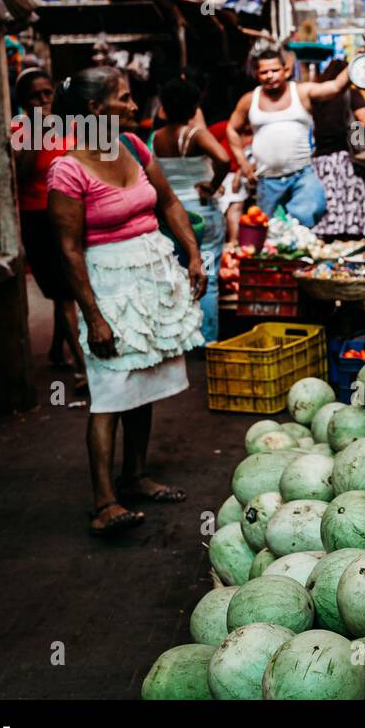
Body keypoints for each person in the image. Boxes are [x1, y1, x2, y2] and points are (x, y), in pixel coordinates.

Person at [47, 67, 204, 536]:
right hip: (108, 285)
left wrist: (192, 254)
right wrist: (93, 316)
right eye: (125, 98)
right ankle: (104, 501)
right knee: (110, 391)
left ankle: (134, 476)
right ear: (95, 109)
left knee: (144, 383)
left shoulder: (134, 148)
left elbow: (170, 203)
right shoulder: (68, 168)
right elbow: (69, 250)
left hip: (151, 276)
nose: (135, 107)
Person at [11, 68, 85, 384]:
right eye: (35, 95)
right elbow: (21, 173)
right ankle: (84, 367)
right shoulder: (19, 128)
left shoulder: (69, 125)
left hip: (69, 213)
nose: (43, 100)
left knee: (65, 287)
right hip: (38, 217)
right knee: (64, 290)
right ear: (24, 102)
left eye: (47, 93)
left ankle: (57, 349)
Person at [225, 46, 354, 228]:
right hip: (267, 179)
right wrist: (242, 162)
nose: (270, 75)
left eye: (275, 70)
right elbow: (232, 128)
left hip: (302, 175)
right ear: (257, 74)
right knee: (268, 233)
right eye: (264, 72)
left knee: (305, 223)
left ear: (285, 71)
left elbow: (335, 87)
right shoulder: (249, 100)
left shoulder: (301, 92)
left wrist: (357, 63)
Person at [149, 77, 230, 342]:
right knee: (207, 274)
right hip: (203, 215)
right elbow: (223, 158)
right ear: (194, 106)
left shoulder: (156, 138)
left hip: (173, 218)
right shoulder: (196, 133)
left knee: (177, 275)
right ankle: (207, 341)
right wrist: (214, 184)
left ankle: (180, 337)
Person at [309, 58, 365, 236]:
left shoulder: (316, 98)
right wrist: (361, 137)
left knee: (330, 206)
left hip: (320, 162)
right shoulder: (351, 94)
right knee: (351, 204)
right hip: (345, 161)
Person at [207, 118, 254, 244]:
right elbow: (206, 152)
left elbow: (253, 159)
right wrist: (215, 179)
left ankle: (233, 242)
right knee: (216, 208)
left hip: (240, 176)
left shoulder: (257, 131)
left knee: (236, 205)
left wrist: (239, 175)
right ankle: (216, 242)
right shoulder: (222, 127)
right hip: (217, 173)